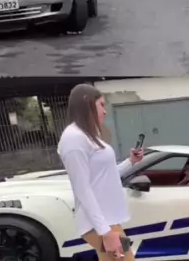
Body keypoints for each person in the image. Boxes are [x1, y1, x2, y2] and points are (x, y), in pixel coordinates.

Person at [58, 84, 144, 261]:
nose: (105, 111)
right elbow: (82, 189)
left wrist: (131, 162)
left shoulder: (88, 135)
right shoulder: (74, 138)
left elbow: (106, 175)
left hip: (106, 221)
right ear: (87, 103)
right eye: (101, 105)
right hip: (99, 224)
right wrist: (104, 231)